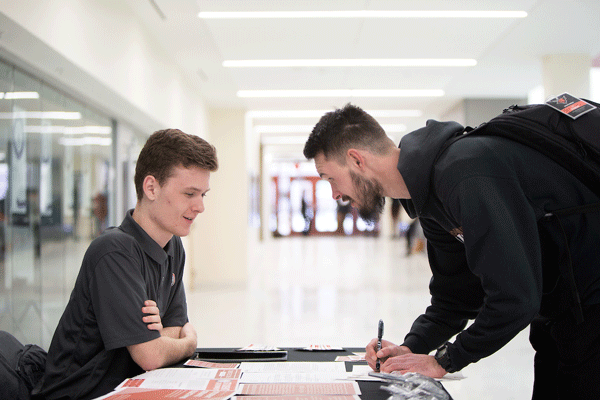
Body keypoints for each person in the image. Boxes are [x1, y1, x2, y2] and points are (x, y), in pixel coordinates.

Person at [303, 103, 600, 399]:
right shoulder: (430, 198)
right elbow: (455, 298)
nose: (335, 195)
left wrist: (445, 360)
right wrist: (410, 348)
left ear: (357, 160)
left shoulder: (465, 173)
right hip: (562, 314)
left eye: (330, 178)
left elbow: (516, 299)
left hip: (589, 306)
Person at [32, 129, 218, 400]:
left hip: (136, 386)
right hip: (81, 394)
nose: (200, 206)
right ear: (151, 187)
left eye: (203, 194)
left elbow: (172, 330)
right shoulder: (113, 252)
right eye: (190, 193)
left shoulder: (173, 246)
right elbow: (152, 356)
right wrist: (188, 343)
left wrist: (165, 338)